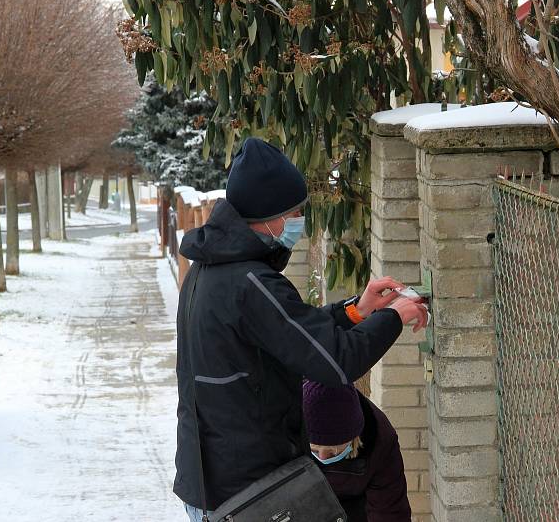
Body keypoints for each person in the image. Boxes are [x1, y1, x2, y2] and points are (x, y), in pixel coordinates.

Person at [174, 137, 428, 521]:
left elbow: (290, 332)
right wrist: (396, 315)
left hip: (214, 485)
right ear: (271, 215)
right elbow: (335, 361)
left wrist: (357, 311)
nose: (297, 221)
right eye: (294, 212)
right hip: (244, 494)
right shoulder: (250, 282)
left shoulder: (208, 272)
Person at [303, 380, 411, 522]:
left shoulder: (380, 439)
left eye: (333, 451)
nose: (323, 457)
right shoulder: (279, 434)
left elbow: (390, 512)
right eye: (315, 450)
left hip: (354, 509)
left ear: (354, 437)